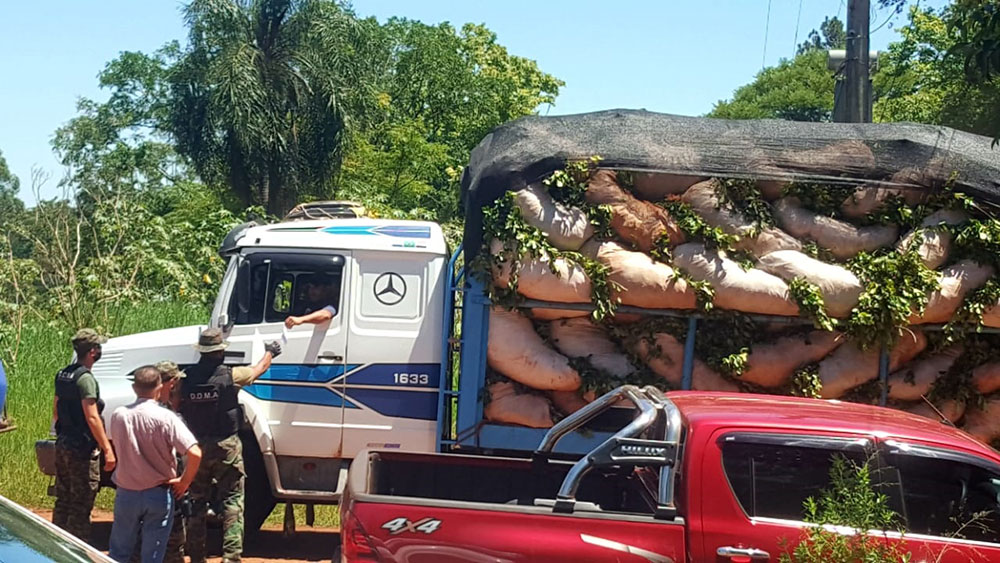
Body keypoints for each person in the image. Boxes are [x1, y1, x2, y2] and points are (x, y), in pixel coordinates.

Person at [180, 328, 281, 563]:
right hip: (226, 445)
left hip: (196, 447)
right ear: (220, 352)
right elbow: (258, 370)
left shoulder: (186, 378)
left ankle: (196, 556)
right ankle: (231, 557)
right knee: (233, 500)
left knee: (196, 501)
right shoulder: (231, 375)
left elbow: (176, 403)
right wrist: (270, 352)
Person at [108, 366, 202, 563]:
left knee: (118, 554)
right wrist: (184, 482)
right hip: (158, 493)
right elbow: (195, 452)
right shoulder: (166, 417)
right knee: (152, 556)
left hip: (126, 493)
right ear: (159, 387)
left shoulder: (119, 415)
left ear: (134, 388)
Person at [52, 328, 115, 542]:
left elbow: (56, 409)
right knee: (81, 503)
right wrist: (107, 449)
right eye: (98, 347)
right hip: (81, 447)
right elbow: (92, 417)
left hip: (63, 443)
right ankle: (75, 548)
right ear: (92, 351)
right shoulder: (85, 379)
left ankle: (56, 544)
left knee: (63, 499)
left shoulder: (63, 374)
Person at [129, 361, 188, 563]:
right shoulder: (167, 415)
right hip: (165, 487)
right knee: (171, 544)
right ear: (171, 383)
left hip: (136, 485)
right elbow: (190, 452)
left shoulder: (135, 410)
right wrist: (184, 481)